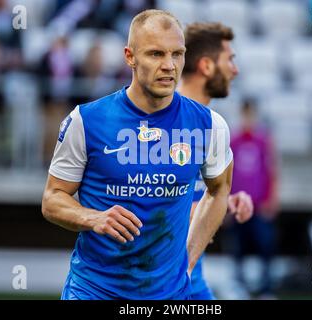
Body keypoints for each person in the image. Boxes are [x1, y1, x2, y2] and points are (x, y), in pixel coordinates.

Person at [41, 9, 234, 300]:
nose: (169, 65)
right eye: (156, 54)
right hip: (93, 291)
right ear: (130, 56)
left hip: (169, 296)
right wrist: (92, 218)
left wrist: (189, 260)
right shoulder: (87, 120)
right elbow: (52, 198)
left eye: (177, 54)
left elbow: (220, 190)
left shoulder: (209, 125)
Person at [178, 22, 254, 300]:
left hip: (190, 273)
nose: (235, 70)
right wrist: (210, 208)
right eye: (230, 60)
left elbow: (195, 192)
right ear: (207, 66)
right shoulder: (162, 124)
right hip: (156, 278)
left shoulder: (212, 127)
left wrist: (224, 201)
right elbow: (143, 202)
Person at [229, 99, 280, 298]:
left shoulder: (264, 141)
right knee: (237, 246)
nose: (248, 119)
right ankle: (239, 284)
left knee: (265, 244)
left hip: (259, 205)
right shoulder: (234, 140)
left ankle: (266, 287)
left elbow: (272, 170)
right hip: (237, 205)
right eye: (246, 115)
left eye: (251, 115)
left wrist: (272, 199)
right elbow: (226, 174)